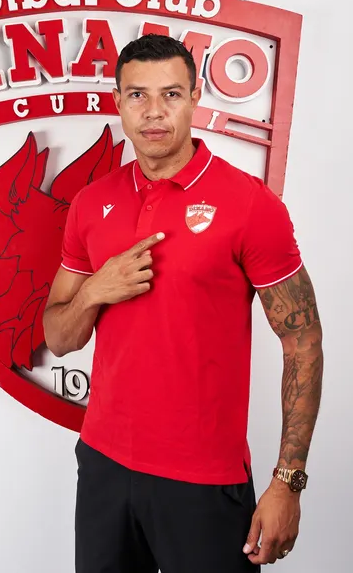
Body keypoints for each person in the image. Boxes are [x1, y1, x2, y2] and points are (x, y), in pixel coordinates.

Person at [43, 34, 324, 572]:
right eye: (137, 95)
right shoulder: (91, 203)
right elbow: (59, 338)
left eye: (171, 94)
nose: (154, 112)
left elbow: (303, 339)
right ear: (117, 102)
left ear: (195, 98)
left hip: (204, 481)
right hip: (103, 466)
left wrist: (288, 482)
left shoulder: (250, 205)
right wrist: (97, 289)